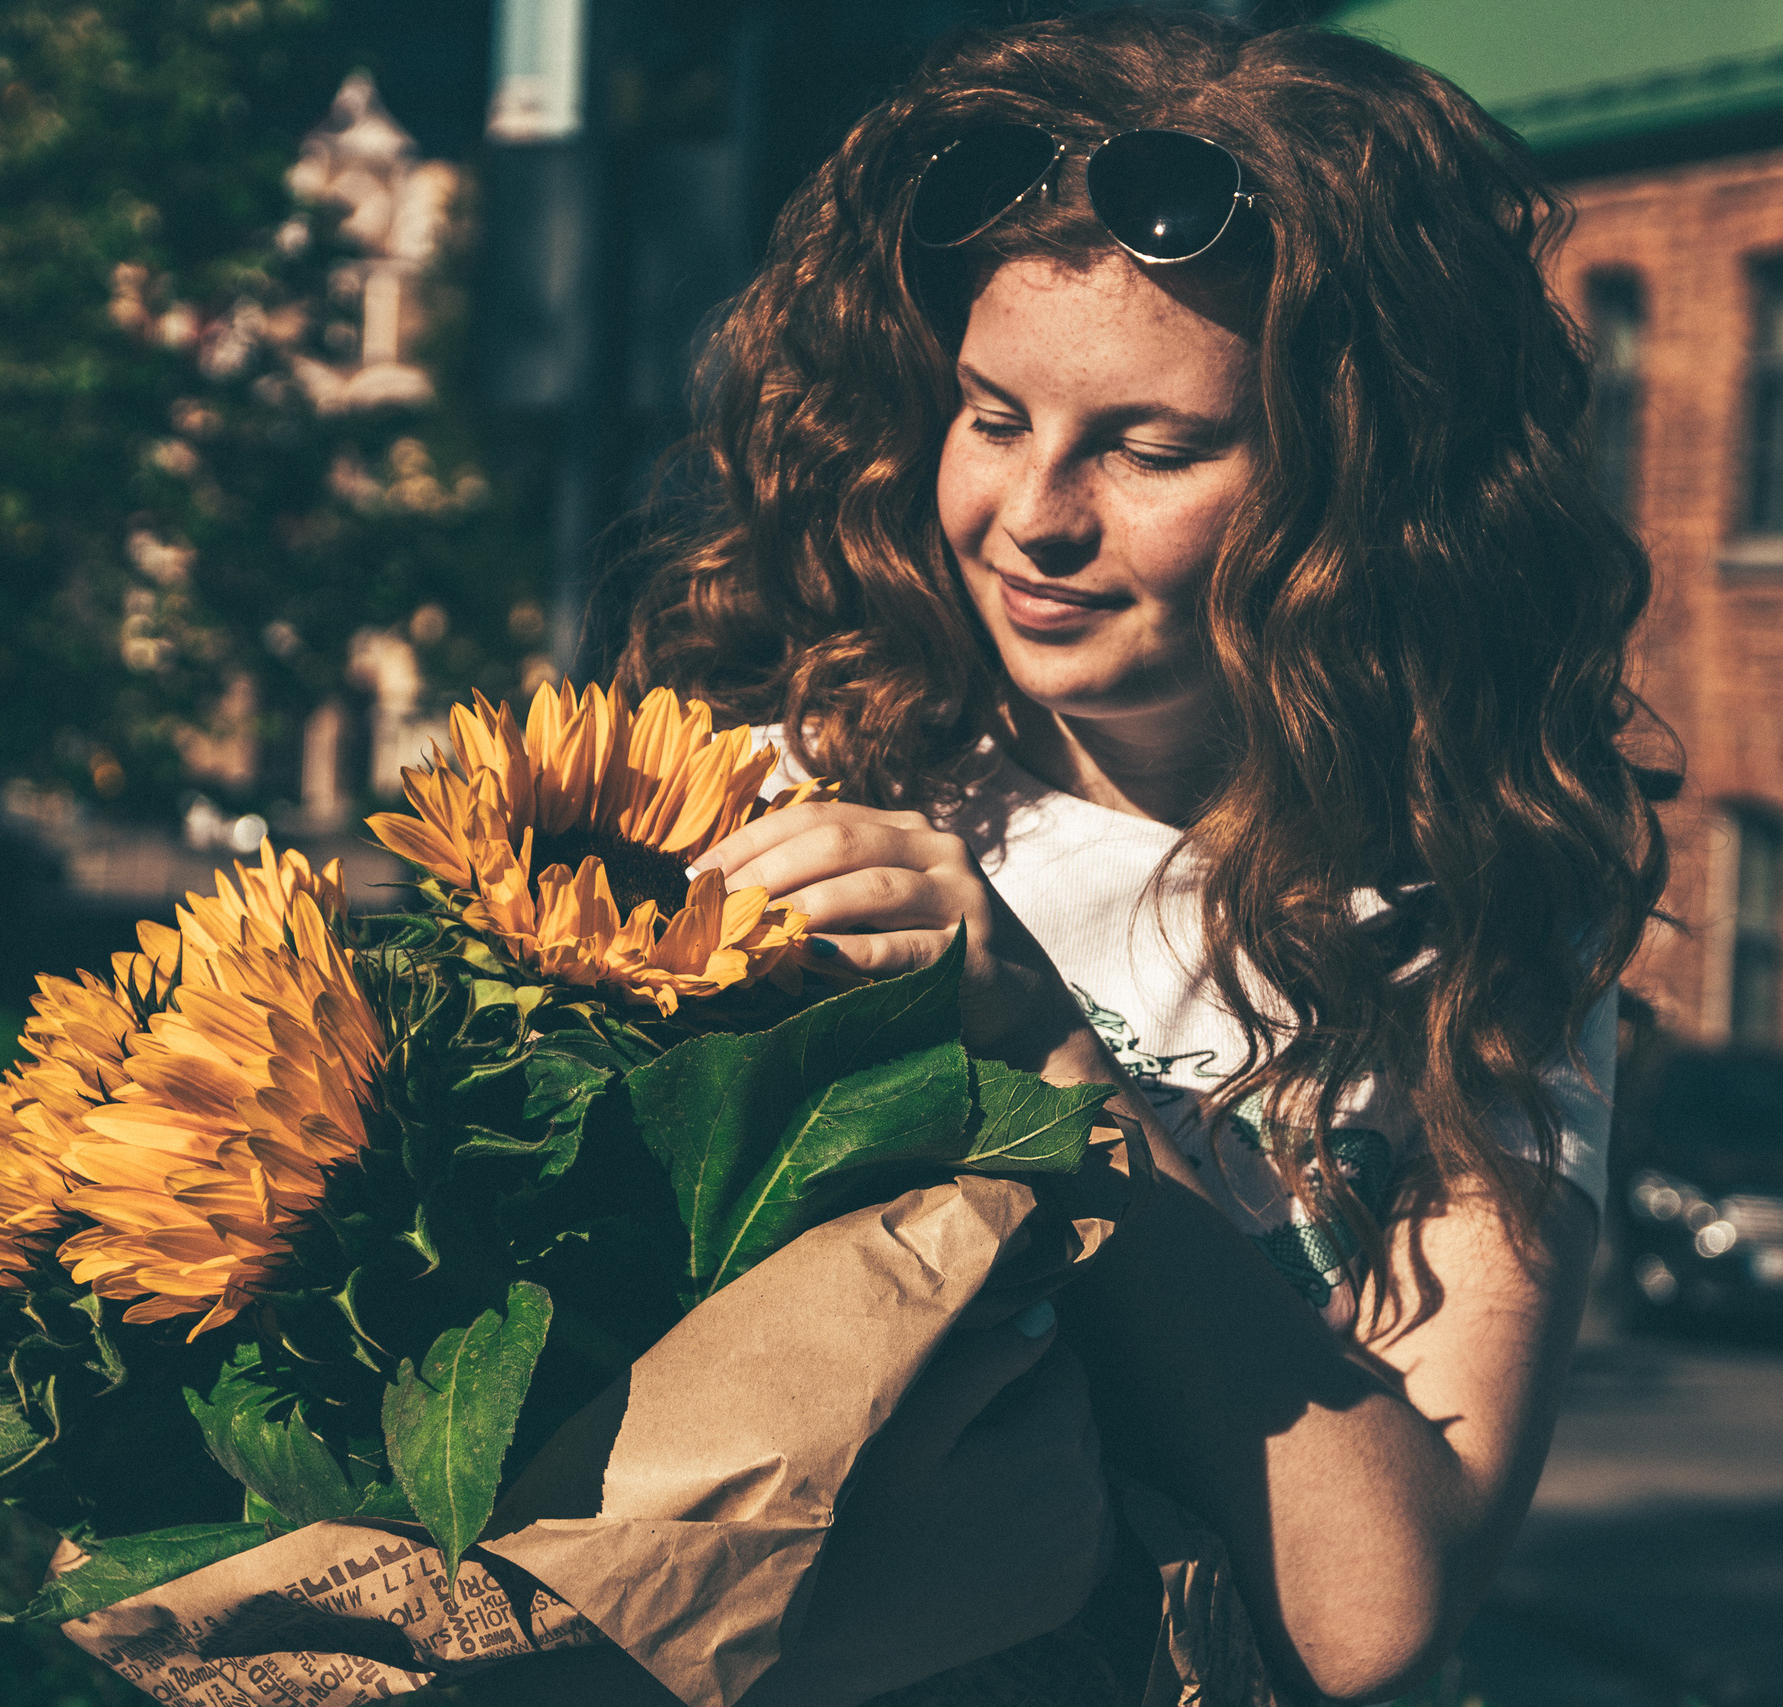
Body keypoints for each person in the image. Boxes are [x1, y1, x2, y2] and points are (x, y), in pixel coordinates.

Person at [592, 11, 1667, 1704]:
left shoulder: (1481, 928)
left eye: (1150, 450)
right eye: (992, 414)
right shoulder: (772, 805)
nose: (1035, 514)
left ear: (1364, 489)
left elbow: (1377, 1609)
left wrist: (1045, 1061)